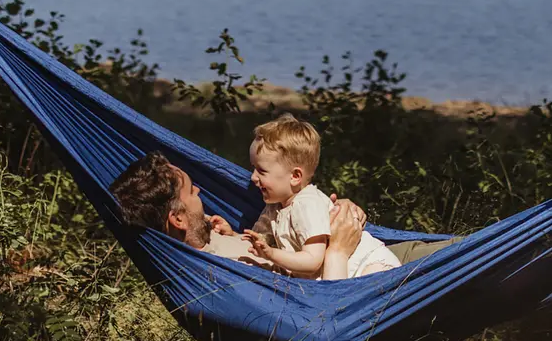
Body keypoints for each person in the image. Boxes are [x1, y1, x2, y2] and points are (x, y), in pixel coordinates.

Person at [111, 151, 460, 278]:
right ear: (178, 220)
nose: (200, 191)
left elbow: (281, 229)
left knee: (472, 249)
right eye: (191, 191)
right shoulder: (217, 274)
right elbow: (325, 311)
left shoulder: (211, 237)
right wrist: (337, 248)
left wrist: (328, 210)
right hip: (361, 276)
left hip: (371, 252)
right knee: (475, 266)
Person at [241, 114, 400, 278]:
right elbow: (260, 239)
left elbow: (312, 261)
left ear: (295, 176)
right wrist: (234, 235)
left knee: (369, 290)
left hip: (370, 264)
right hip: (340, 275)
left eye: (261, 171)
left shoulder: (307, 205)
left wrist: (272, 254)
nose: (253, 177)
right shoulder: (275, 205)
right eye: (253, 168)